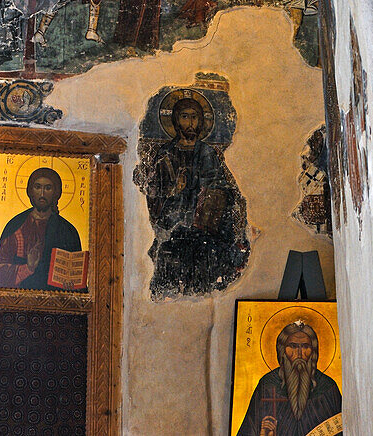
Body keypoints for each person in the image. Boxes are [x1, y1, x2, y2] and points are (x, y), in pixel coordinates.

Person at [142, 95, 248, 297]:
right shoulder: (165, 153)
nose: (190, 123)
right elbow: (153, 193)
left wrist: (207, 196)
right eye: (184, 116)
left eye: (194, 117)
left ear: (201, 121)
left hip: (203, 228)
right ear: (175, 121)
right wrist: (174, 190)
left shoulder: (207, 153)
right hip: (172, 226)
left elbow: (220, 189)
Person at [236, 321, 342, 436]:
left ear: (313, 352)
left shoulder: (327, 387)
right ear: (282, 351)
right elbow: (248, 431)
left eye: (305, 346)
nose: (299, 354)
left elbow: (343, 428)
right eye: (293, 346)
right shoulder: (267, 386)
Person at [0, 167, 82, 290]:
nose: (42, 194)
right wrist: (28, 268)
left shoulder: (67, 231)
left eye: (48, 188)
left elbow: (76, 278)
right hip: (19, 301)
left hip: (56, 303)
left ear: (56, 192)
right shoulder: (16, 227)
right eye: (38, 187)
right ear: (30, 191)